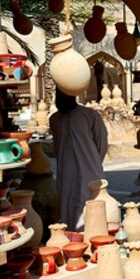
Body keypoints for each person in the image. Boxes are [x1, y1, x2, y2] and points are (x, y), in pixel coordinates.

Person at [49, 88, 109, 231]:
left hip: (91, 175)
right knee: (69, 216)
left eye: (64, 93)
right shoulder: (54, 119)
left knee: (92, 217)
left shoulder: (90, 115)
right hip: (67, 178)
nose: (60, 97)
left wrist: (92, 164)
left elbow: (102, 144)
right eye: (59, 94)